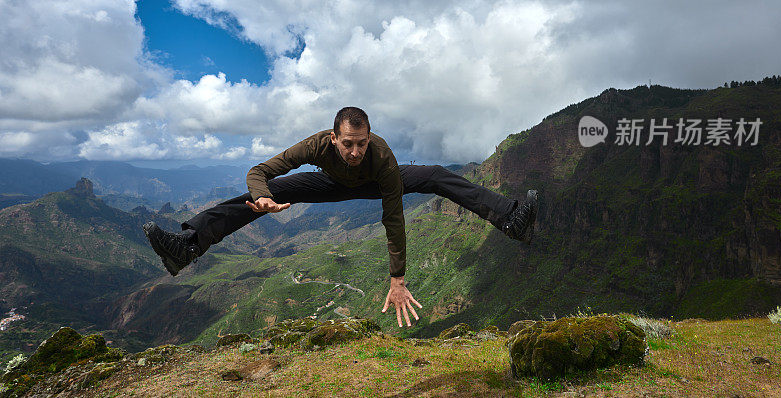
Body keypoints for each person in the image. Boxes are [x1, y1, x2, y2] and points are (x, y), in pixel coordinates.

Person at [143, 106, 538, 328]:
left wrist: (397, 278)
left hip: (377, 184)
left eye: (361, 143)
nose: (354, 151)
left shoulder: (380, 157)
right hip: (329, 183)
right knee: (271, 191)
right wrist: (263, 199)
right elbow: (259, 171)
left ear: (370, 138)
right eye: (347, 144)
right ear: (333, 138)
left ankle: (510, 219)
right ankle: (188, 245)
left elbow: (393, 218)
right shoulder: (315, 146)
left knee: (435, 175)